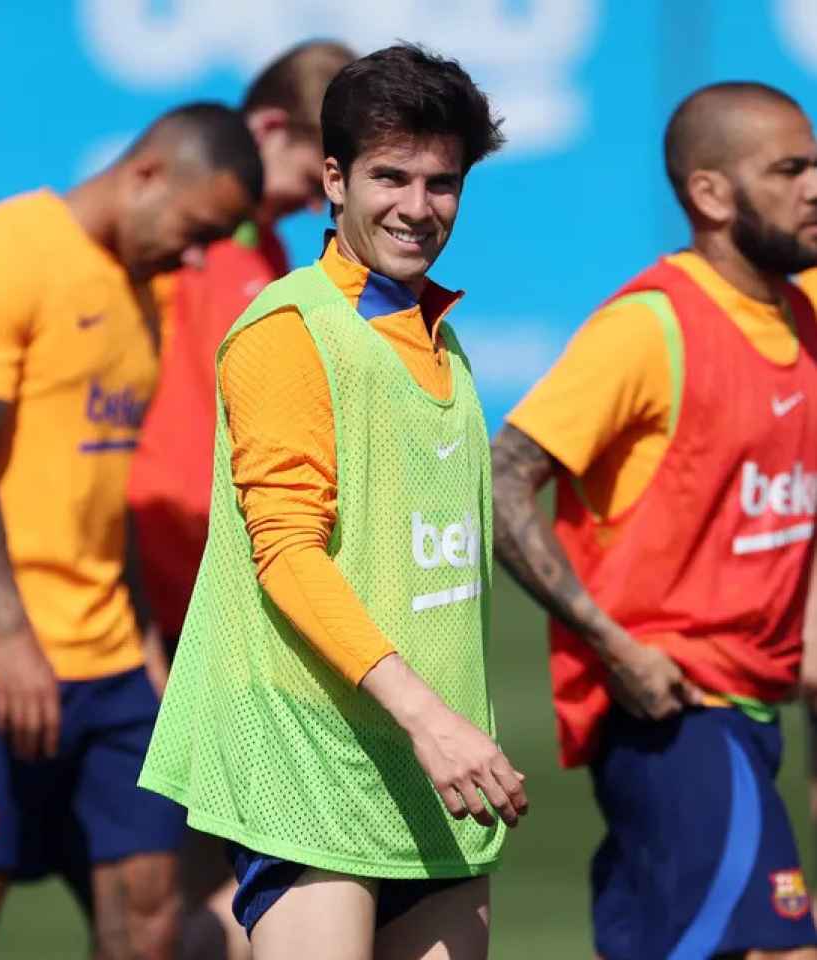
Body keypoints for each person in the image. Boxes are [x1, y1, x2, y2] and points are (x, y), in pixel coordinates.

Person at [140, 44, 523, 960]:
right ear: (335, 178)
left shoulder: (441, 337)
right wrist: (434, 721)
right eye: (391, 177)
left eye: (443, 183)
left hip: (430, 770)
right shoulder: (287, 328)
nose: (418, 209)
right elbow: (288, 554)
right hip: (312, 756)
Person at [493, 81, 817, 960]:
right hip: (674, 711)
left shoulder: (803, 312)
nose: (815, 186)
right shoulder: (652, 327)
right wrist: (615, 644)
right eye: (789, 169)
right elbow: (501, 479)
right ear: (710, 195)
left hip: (751, 709)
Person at [0, 102, 261, 959]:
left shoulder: (148, 289)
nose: (197, 255)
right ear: (145, 176)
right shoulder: (10, 246)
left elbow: (105, 485)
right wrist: (10, 636)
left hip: (116, 665)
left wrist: (146, 640)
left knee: (149, 916)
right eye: (196, 229)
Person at [122, 40, 355, 959]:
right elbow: (138, 446)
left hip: (228, 610)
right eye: (315, 168)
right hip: (167, 610)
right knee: (184, 885)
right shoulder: (194, 242)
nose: (324, 194)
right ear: (267, 131)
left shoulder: (267, 249)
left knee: (221, 883)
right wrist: (137, 623)